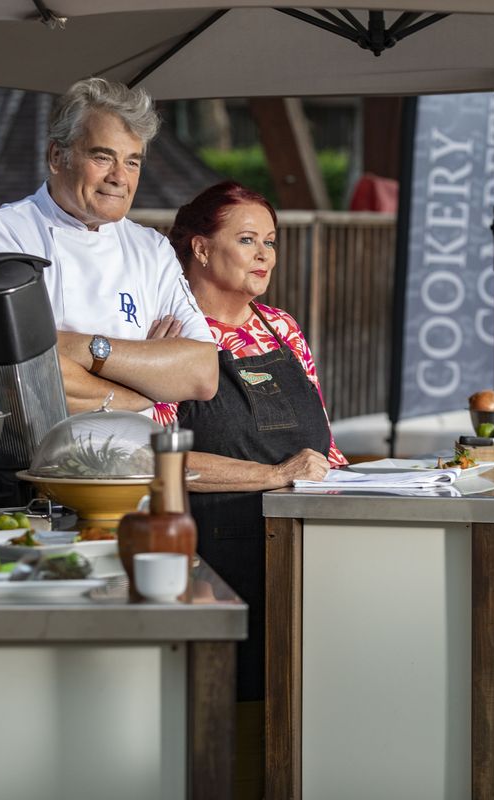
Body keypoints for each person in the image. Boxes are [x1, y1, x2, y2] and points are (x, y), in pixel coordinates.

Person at [155, 181, 347, 797]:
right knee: (216, 734)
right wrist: (273, 475)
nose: (264, 254)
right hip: (210, 561)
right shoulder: (172, 339)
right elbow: (157, 461)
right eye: (247, 240)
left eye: (270, 241)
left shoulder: (284, 330)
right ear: (201, 249)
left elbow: (327, 452)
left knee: (295, 716)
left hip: (298, 561)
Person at [0, 77, 217, 413]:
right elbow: (17, 374)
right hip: (37, 460)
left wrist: (81, 350)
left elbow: (202, 374)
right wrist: (145, 384)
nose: (119, 177)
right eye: (102, 157)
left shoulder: (151, 249)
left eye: (132, 162)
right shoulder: (2, 237)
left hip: (138, 461)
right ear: (56, 156)